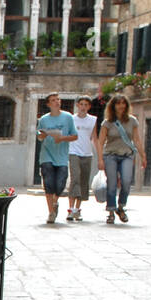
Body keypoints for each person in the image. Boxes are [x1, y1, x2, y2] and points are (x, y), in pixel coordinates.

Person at [96, 93, 147, 224]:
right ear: (113, 106)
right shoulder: (107, 123)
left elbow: (136, 139)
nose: (121, 106)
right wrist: (100, 159)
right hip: (110, 155)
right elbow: (100, 142)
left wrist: (143, 155)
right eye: (118, 103)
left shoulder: (132, 121)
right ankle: (111, 211)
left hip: (127, 155)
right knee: (112, 184)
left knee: (126, 181)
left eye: (123, 103)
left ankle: (121, 206)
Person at [35, 92, 77, 225]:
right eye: (53, 100)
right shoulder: (43, 119)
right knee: (48, 183)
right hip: (46, 155)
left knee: (60, 184)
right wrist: (44, 134)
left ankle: (55, 201)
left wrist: (62, 138)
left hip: (62, 157)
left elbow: (75, 136)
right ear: (48, 104)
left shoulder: (68, 117)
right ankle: (51, 212)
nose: (56, 102)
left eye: (58, 99)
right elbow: (39, 136)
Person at [66, 96, 99, 222]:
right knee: (75, 178)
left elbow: (94, 138)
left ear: (89, 107)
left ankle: (78, 209)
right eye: (81, 104)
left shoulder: (93, 120)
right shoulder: (71, 119)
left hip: (87, 153)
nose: (83, 107)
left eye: (86, 104)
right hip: (73, 152)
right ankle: (70, 208)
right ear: (77, 105)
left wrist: (99, 156)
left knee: (84, 180)